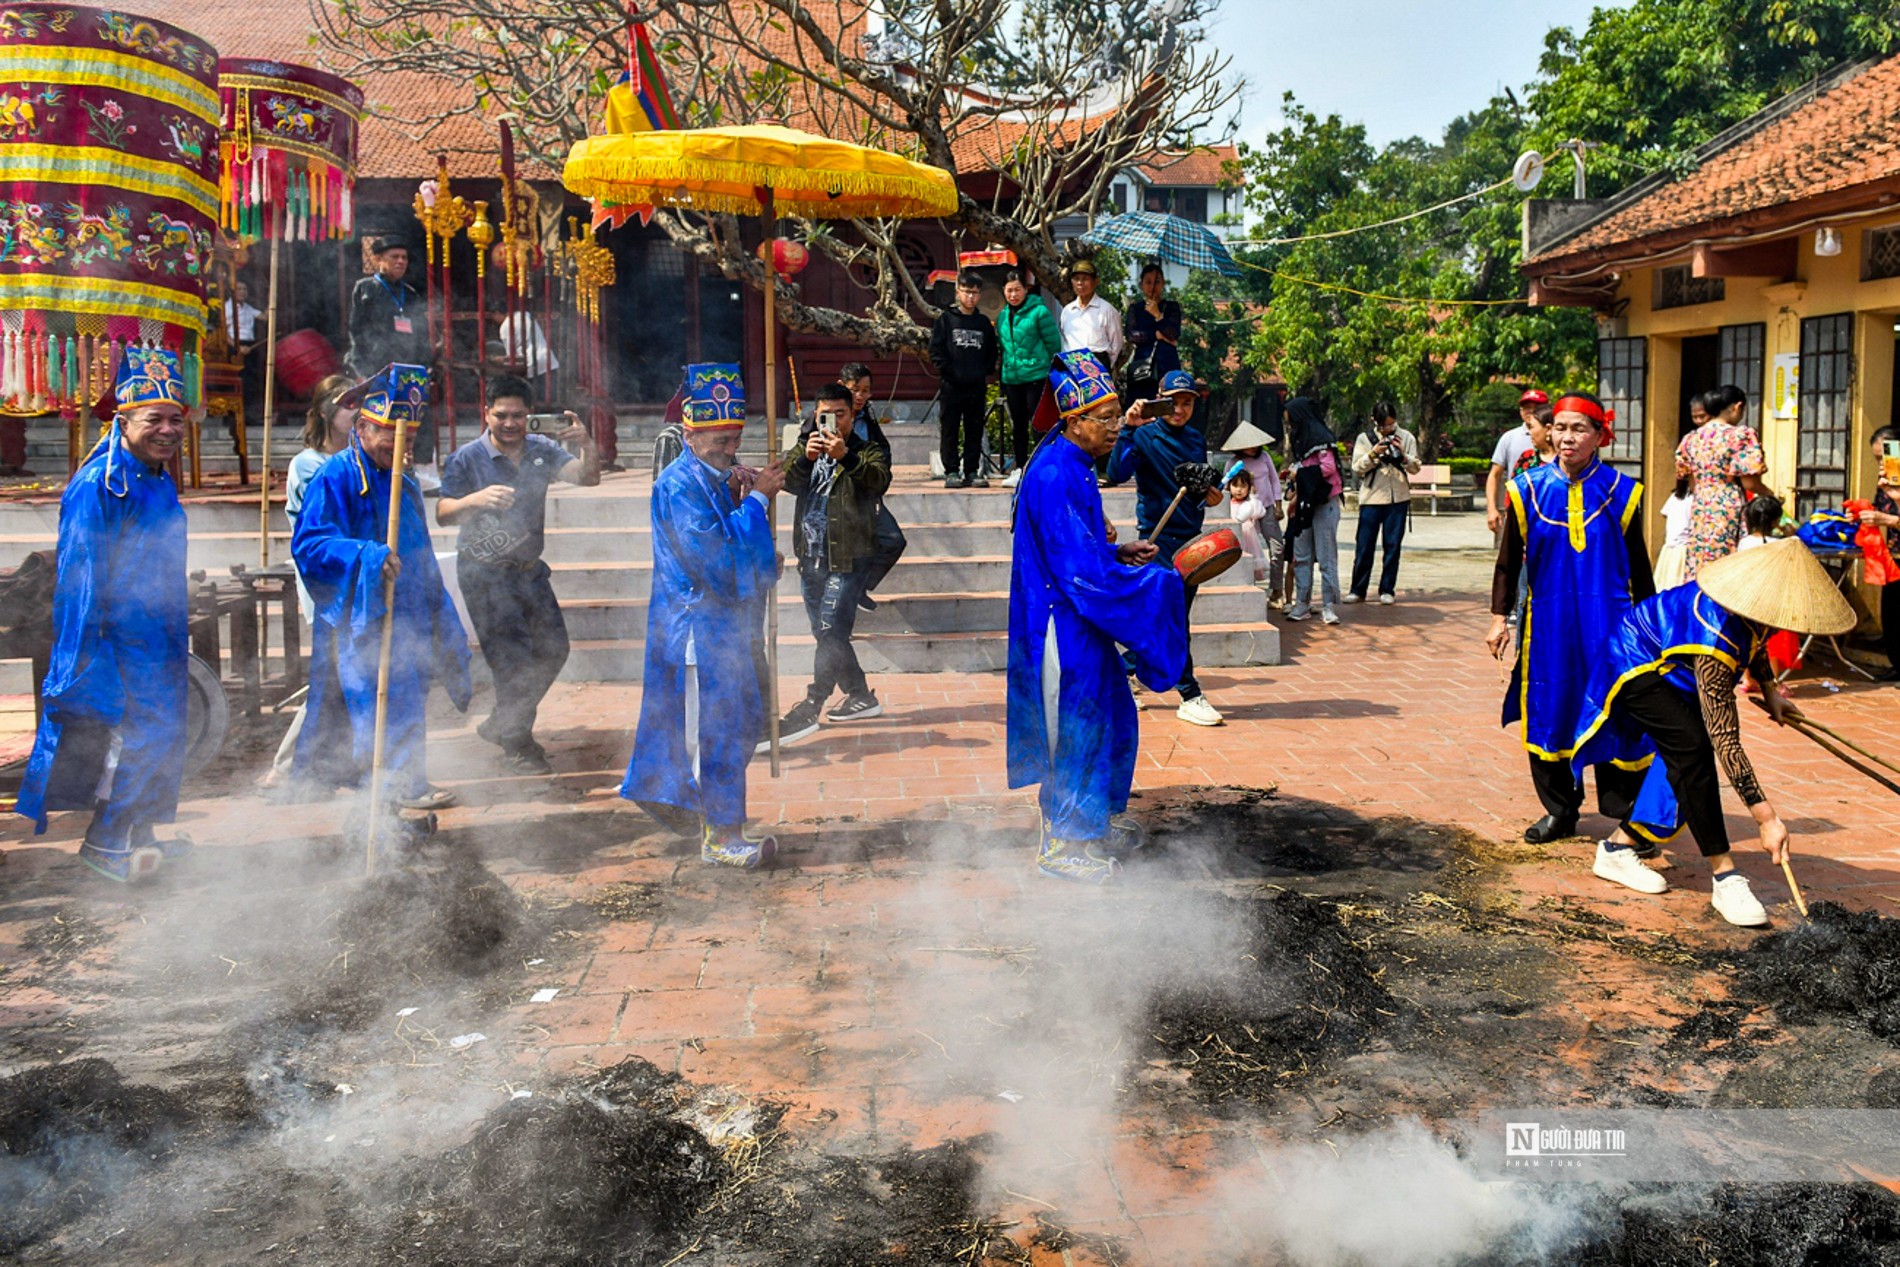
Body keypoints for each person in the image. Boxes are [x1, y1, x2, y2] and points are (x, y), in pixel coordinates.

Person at [1569, 540, 1852, 925]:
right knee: (1694, 749)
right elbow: (1725, 738)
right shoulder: (1715, 636)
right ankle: (1725, 874)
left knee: (1683, 759)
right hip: (1635, 662)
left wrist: (1770, 690)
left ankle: (1619, 848)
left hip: (1674, 669)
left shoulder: (1754, 609)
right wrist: (1765, 817)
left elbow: (1756, 641)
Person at [1007, 350, 1187, 883]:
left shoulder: (1076, 466)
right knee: (1077, 727)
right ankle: (1062, 842)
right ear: (1073, 421)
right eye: (1104, 420)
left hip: (1079, 616)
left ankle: (1093, 821)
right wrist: (1156, 585)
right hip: (1061, 623)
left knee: (1109, 715)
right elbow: (1079, 575)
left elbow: (1082, 553)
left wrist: (1119, 553)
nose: (1114, 429)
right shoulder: (1055, 475)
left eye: (1115, 418)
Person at [14, 348, 192, 882]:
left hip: (158, 632)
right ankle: (104, 840)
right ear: (123, 420)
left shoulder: (156, 475)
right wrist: (84, 656)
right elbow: (82, 579)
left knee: (164, 732)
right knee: (137, 737)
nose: (166, 430)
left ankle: (141, 833)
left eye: (175, 419)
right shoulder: (99, 486)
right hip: (117, 638)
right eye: (153, 420)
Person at [622, 363, 785, 869]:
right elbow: (714, 559)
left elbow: (738, 550)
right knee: (717, 731)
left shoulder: (713, 478)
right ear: (689, 433)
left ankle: (715, 822)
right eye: (717, 437)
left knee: (737, 725)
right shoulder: (678, 486)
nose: (728, 447)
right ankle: (719, 835)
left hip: (723, 629)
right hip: (697, 627)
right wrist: (758, 501)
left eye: (734, 436)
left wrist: (757, 540)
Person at [290, 363, 470, 813]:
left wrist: (435, 607)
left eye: (410, 438)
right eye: (392, 434)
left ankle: (401, 785)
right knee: (371, 701)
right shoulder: (335, 476)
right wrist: (366, 556)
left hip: (406, 607)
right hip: (358, 613)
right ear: (365, 427)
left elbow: (421, 551)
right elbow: (310, 543)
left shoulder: (403, 480)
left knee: (407, 695)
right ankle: (384, 795)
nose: (403, 446)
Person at [1485, 391, 1655, 846]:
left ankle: (1627, 818)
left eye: (1579, 429)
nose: (1566, 437)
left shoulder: (1624, 492)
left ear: (1600, 436)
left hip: (1612, 626)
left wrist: (1650, 629)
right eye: (1559, 427)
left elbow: (1641, 568)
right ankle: (1560, 811)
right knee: (1550, 711)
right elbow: (1508, 563)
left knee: (1617, 710)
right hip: (1550, 629)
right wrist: (1499, 617)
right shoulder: (1526, 489)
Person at [436, 374, 601, 774]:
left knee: (554, 649)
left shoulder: (541, 450)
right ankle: (518, 742)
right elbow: (442, 514)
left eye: (519, 416)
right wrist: (476, 499)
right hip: (484, 574)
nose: (510, 424)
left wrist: (587, 444)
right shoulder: (466, 458)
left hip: (528, 572)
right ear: (486, 413)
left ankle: (501, 722)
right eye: (502, 415)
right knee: (511, 662)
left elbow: (587, 477)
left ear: (530, 416)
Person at [1107, 369, 1224, 725]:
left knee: (1165, 617)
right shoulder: (1143, 435)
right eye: (1172, 402)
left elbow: (1198, 491)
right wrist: (1127, 426)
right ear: (1159, 399)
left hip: (1192, 542)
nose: (1179, 409)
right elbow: (1115, 472)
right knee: (1172, 618)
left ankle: (1122, 670)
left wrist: (1210, 497)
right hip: (1156, 541)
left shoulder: (1194, 438)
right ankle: (1190, 694)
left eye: (1186, 402)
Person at [779, 380, 892, 739]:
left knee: (830, 631)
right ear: (815, 414)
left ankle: (812, 704)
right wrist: (805, 459)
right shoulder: (805, 445)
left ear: (852, 413)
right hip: (810, 556)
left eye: (840, 415)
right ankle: (859, 695)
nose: (832, 422)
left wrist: (847, 455)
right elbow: (788, 481)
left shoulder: (868, 447)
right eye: (825, 415)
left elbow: (878, 481)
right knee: (828, 634)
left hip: (850, 557)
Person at [263, 373, 359, 789]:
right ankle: (286, 769)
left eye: (359, 400)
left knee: (343, 672)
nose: (355, 409)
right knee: (329, 675)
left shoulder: (358, 455)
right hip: (324, 581)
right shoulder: (310, 464)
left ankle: (329, 765)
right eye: (346, 402)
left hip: (357, 576)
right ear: (324, 411)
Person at [346, 238, 435, 463]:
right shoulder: (366, 289)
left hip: (408, 367)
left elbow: (421, 333)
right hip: (378, 368)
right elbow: (357, 331)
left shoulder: (410, 292)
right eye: (394, 257)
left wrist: (426, 365)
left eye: (404, 257)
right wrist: (361, 369)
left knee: (417, 417)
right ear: (378, 260)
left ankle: (420, 467)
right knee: (380, 420)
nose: (400, 261)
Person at [1676, 384, 1771, 578]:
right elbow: (1749, 483)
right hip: (1728, 505)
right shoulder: (1739, 436)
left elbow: (1688, 478)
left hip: (1701, 507)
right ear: (1737, 407)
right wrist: (1770, 494)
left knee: (1701, 565)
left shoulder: (1692, 438)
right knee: (1729, 567)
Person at [839, 362, 905, 610]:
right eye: (855, 389)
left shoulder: (868, 415)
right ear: (841, 386)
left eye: (865, 391)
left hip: (867, 494)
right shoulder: (826, 416)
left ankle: (858, 587)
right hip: (837, 498)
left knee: (893, 541)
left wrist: (879, 477)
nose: (860, 396)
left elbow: (882, 450)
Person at [928, 270, 999, 488]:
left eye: (975, 293)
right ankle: (951, 471)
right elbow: (935, 351)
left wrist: (982, 371)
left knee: (974, 428)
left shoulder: (983, 322)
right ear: (958, 292)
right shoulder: (946, 320)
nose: (971, 297)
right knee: (950, 428)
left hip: (976, 386)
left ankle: (971, 470)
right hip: (951, 385)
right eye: (967, 292)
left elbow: (992, 352)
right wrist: (949, 371)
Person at [1347, 402, 1421, 605]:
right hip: (1372, 498)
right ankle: (1358, 589)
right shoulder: (1365, 439)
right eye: (1383, 426)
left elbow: (1415, 468)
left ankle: (1387, 589)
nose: (1387, 429)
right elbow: (1357, 467)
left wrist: (1403, 456)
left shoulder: (1406, 437)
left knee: (1392, 545)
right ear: (1374, 421)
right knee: (1364, 545)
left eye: (1390, 424)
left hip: (1398, 498)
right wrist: (1373, 454)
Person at [1282, 398, 1344, 624]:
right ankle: (1302, 604)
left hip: (1325, 503)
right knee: (1301, 556)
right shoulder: (1301, 443)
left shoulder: (1322, 440)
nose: (1291, 429)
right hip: (1304, 504)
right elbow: (1305, 470)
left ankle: (1328, 606)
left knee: (1326, 557)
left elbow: (1327, 469)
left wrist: (1299, 474)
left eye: (1292, 423)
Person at [997, 272, 1063, 481]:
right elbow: (1003, 346)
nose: (1013, 294)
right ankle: (1020, 467)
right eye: (1009, 290)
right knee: (1018, 425)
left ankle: (1041, 464)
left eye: (1017, 289)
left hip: (1036, 375)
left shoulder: (1040, 312)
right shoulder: (1002, 316)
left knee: (1039, 423)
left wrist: (1044, 366)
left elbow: (1053, 344)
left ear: (1026, 290)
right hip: (1012, 377)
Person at [1221, 420, 1283, 596]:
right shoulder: (1232, 464)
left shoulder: (1265, 458)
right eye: (1249, 446)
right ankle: (1249, 586)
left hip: (1266, 506)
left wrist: (1278, 505)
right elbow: (1226, 489)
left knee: (1277, 548)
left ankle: (1276, 589)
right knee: (1247, 549)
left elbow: (1274, 480)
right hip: (1243, 512)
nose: (1253, 448)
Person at [1858, 425, 1900, 682]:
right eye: (1876, 459)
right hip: (1894, 556)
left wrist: (1890, 518)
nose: (1881, 464)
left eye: (1884, 456)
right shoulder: (1888, 481)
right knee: (1893, 613)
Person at [1486, 390, 1552, 534]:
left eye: (1536, 407)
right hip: (1519, 511)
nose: (1531, 411)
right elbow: (1494, 475)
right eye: (1526, 407)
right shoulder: (1510, 438)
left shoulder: (1561, 440)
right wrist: (1492, 508)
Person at [1122, 263, 1182, 402]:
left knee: (1167, 401)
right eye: (1148, 282)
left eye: (1157, 282)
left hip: (1167, 361)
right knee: (1142, 403)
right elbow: (1131, 335)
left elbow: (1173, 333)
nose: (1152, 286)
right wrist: (1156, 335)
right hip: (1143, 363)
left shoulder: (1172, 307)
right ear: (1141, 284)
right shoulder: (1135, 308)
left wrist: (1158, 315)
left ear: (1163, 283)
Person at [1058, 257, 1123, 364]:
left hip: (1098, 363)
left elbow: (1116, 344)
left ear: (1095, 282)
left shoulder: (1107, 310)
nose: (1080, 283)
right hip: (1072, 365)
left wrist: (1104, 366)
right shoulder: (1067, 311)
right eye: (1076, 279)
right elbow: (1065, 341)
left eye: (1085, 279)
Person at [1227, 469, 1270, 584]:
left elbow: (1259, 512)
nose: (1239, 489)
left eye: (1243, 486)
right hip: (1232, 539)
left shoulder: (1250, 504)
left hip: (1248, 541)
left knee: (1249, 569)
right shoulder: (1226, 503)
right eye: (1235, 485)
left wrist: (1253, 496)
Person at [1654, 473, 1694, 589]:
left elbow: (1664, 514)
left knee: (1665, 586)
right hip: (1682, 550)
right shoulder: (1693, 499)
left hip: (1669, 549)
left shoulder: (1675, 497)